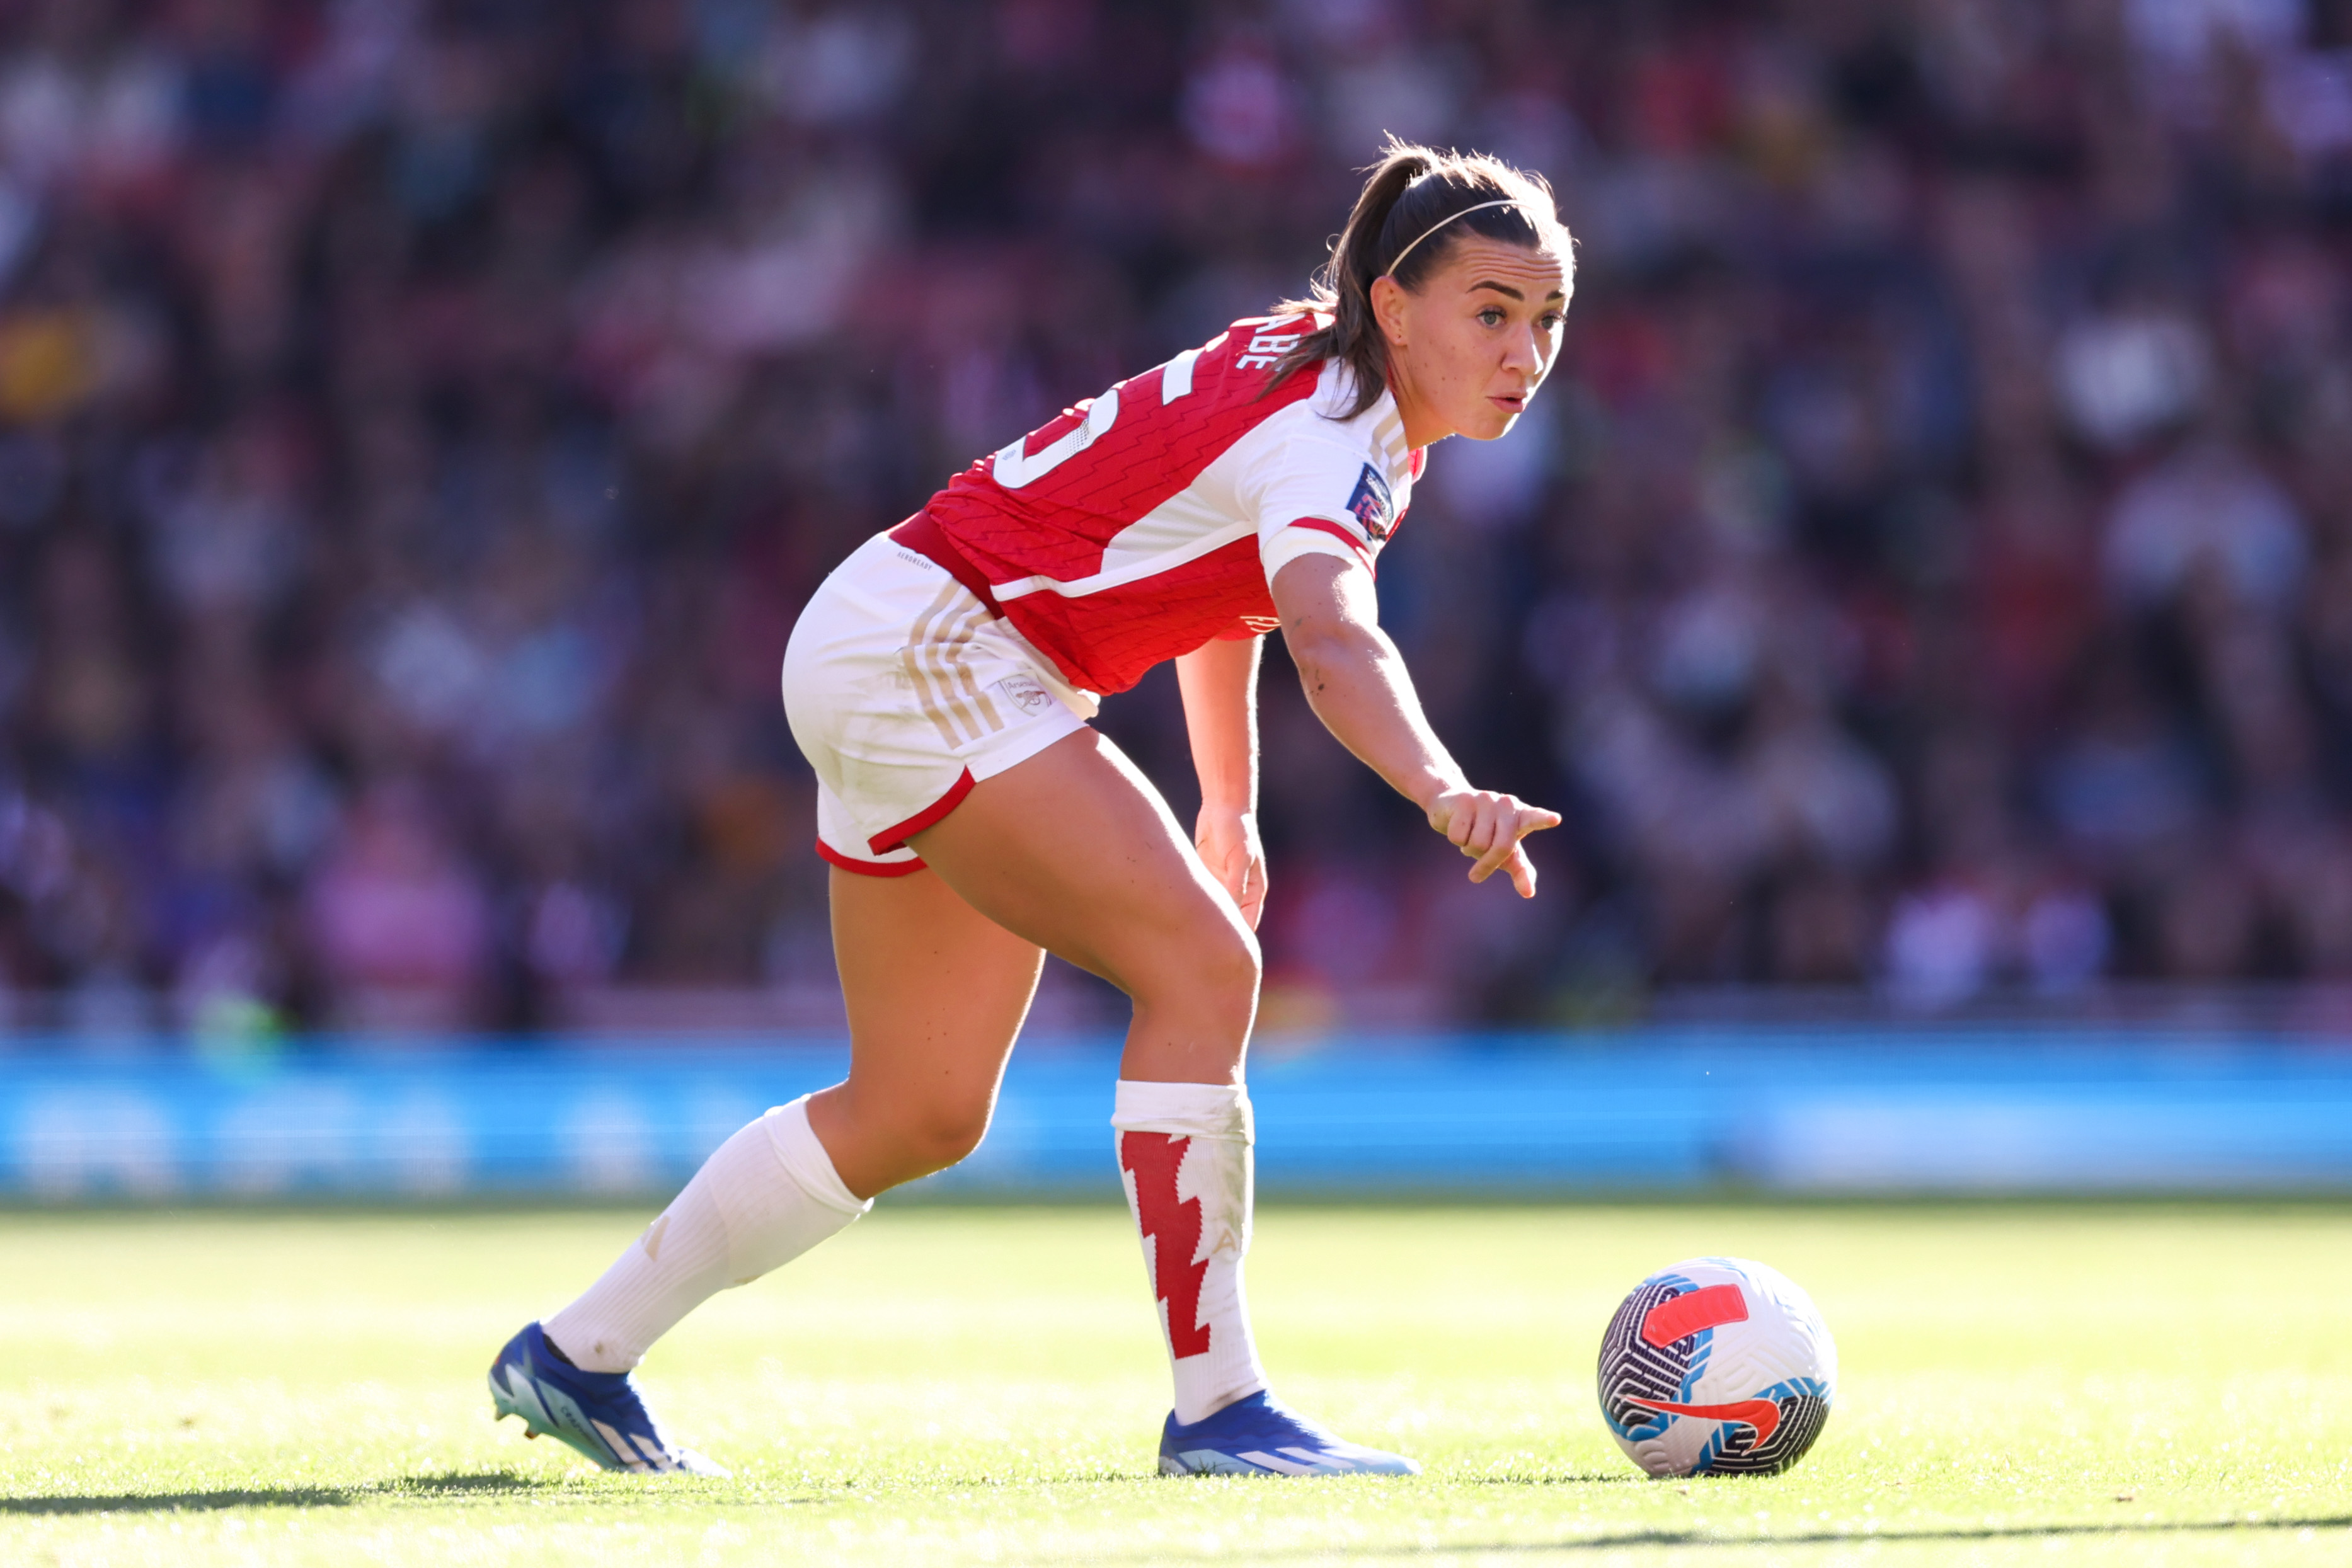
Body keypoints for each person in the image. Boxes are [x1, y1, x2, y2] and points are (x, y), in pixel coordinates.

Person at [488, 139, 1574, 1478]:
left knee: (921, 1107)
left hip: (889, 631)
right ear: (1394, 307)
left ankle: (576, 1354)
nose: (1523, 352)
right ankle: (1220, 1411)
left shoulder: (1312, 362)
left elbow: (1213, 581)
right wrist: (1443, 787)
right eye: (1490, 313)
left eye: (1544, 319)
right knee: (1201, 968)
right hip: (941, 655)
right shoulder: (1340, 432)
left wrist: (1226, 806)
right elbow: (1330, 644)